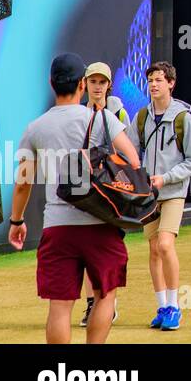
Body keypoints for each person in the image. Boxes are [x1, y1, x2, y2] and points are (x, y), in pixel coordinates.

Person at [10, 54, 142, 345]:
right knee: (105, 295)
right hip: (101, 222)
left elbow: (23, 183)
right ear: (82, 84)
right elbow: (133, 160)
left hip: (57, 226)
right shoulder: (101, 118)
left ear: (51, 83)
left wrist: (16, 221)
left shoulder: (36, 127)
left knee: (59, 306)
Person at [133, 61, 191, 330]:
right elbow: (131, 151)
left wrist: (166, 177)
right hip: (148, 194)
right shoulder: (141, 117)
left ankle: (174, 306)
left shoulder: (184, 119)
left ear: (171, 83)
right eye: (150, 80)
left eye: (159, 80)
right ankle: (161, 306)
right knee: (152, 249)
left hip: (173, 191)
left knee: (164, 245)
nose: (153, 85)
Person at [78, 62, 127, 327]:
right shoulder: (78, 113)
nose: (97, 87)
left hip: (112, 188)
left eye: (102, 82)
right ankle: (91, 304)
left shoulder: (117, 113)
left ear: (109, 85)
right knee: (87, 250)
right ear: (84, 84)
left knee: (108, 250)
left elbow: (128, 149)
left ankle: (109, 303)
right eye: (93, 82)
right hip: (85, 190)